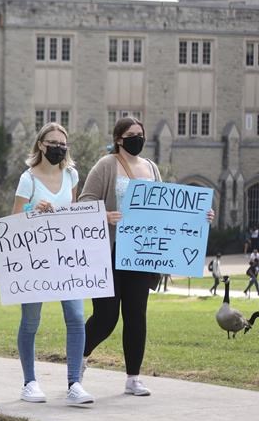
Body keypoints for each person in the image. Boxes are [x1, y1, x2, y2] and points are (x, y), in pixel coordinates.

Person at [79, 116, 214, 396]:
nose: (137, 138)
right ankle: (78, 360)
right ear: (118, 139)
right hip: (111, 253)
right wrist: (105, 216)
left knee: (136, 316)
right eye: (131, 134)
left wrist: (201, 216)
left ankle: (133, 377)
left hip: (141, 255)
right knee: (105, 317)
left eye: (140, 133)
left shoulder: (151, 167)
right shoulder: (106, 165)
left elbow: (166, 211)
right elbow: (85, 202)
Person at [10, 122, 93, 405]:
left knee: (76, 317)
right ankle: (29, 382)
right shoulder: (28, 179)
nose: (58, 147)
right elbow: (15, 221)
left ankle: (74, 383)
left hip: (67, 257)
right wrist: (35, 210)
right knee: (31, 321)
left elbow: (72, 214)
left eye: (62, 143)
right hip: (35, 261)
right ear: (40, 145)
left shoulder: (71, 175)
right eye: (52, 142)